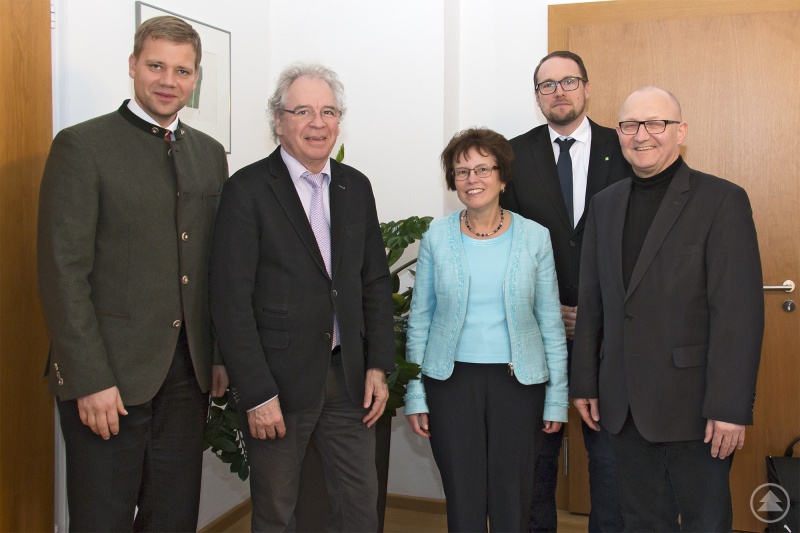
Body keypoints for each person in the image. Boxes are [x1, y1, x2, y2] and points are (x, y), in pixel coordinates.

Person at [37, 16, 229, 531]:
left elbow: (212, 266)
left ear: (196, 78)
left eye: (182, 71)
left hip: (187, 377)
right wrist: (89, 379)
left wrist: (216, 354)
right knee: (103, 519)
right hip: (109, 379)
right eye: (156, 66)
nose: (169, 80)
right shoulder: (82, 146)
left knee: (173, 518)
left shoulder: (210, 155)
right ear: (132, 65)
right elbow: (62, 272)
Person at [209, 63, 394, 531]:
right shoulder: (247, 189)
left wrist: (377, 364)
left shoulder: (356, 185)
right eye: (303, 111)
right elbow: (231, 300)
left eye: (328, 111)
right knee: (277, 511)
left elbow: (373, 281)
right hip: (278, 382)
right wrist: (256, 392)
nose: (318, 123)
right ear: (278, 121)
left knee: (360, 506)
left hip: (348, 377)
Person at [571, 86, 764, 531]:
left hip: (696, 408)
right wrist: (585, 381)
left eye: (656, 123)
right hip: (622, 405)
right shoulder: (604, 204)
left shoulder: (722, 200)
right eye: (630, 125)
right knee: (640, 521)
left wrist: (730, 407)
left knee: (704, 521)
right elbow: (593, 302)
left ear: (681, 131)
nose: (642, 135)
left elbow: (738, 315)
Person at [404, 127, 568, 532]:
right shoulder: (436, 237)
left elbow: (550, 323)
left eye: (482, 169)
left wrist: (556, 399)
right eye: (461, 172)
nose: (472, 179)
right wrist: (415, 393)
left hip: (519, 385)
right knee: (463, 497)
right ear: (453, 181)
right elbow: (420, 319)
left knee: (514, 499)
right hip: (450, 383)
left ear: (502, 177)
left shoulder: (535, 237)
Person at [500, 50, 625, 532]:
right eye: (547, 85)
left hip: (610, 336)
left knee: (610, 460)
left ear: (587, 87)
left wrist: (594, 309)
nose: (559, 92)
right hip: (536, 333)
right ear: (537, 96)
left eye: (569, 81)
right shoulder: (512, 156)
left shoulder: (625, 146)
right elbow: (505, 242)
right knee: (536, 459)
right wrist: (546, 305)